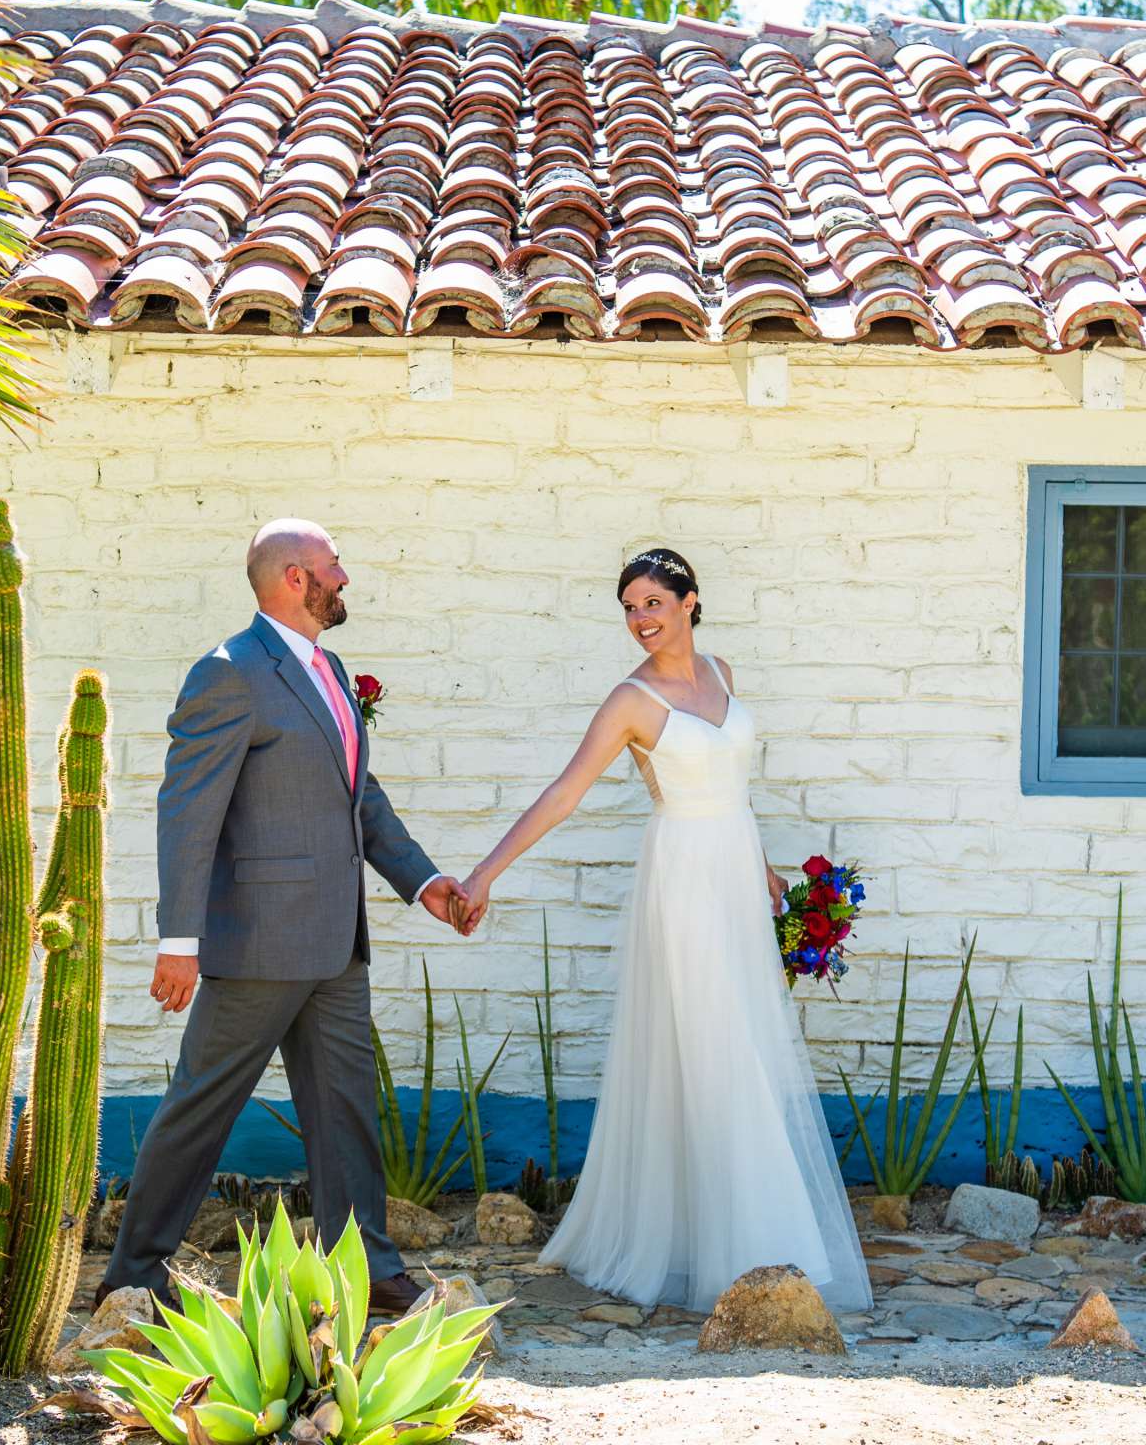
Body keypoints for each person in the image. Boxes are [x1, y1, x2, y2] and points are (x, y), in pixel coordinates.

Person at [458, 548, 870, 1313]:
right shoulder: (630, 700)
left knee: (741, 1044)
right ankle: (748, 1250)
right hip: (683, 879)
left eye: (652, 602)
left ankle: (733, 1236)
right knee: (718, 1051)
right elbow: (565, 792)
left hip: (737, 876)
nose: (640, 619)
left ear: (690, 602)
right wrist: (485, 874)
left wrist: (770, 870)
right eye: (628, 607)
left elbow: (732, 788)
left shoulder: (722, 672)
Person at [97, 518, 478, 1317]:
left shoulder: (330, 668)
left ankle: (364, 1266)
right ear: (297, 579)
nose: (346, 577)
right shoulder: (228, 673)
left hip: (337, 943)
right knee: (202, 1106)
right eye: (334, 565)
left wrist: (424, 880)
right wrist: (179, 939)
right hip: (259, 943)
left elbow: (357, 800)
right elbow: (187, 813)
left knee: (346, 1111)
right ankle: (134, 1273)